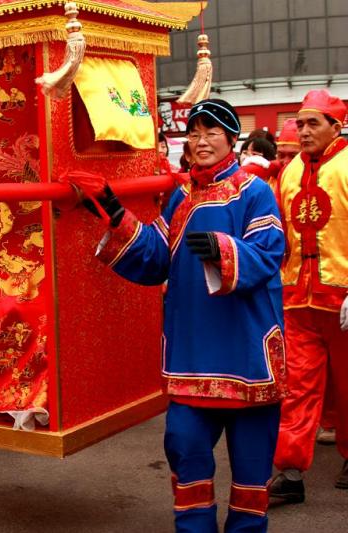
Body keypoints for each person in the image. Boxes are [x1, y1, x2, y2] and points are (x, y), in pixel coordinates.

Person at [70, 99, 286, 532]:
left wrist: (226, 252)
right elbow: (155, 259)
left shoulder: (255, 192)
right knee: (185, 456)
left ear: (230, 139)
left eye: (211, 132)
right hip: (191, 356)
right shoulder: (181, 197)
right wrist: (113, 210)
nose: (201, 141)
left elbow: (270, 254)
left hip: (246, 356)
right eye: (194, 132)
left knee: (250, 480)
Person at [270, 89, 348, 502]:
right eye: (299, 123)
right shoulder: (291, 171)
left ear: (336, 127)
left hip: (342, 297)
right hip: (298, 297)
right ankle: (291, 470)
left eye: (312, 123)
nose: (302, 132)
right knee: (296, 385)